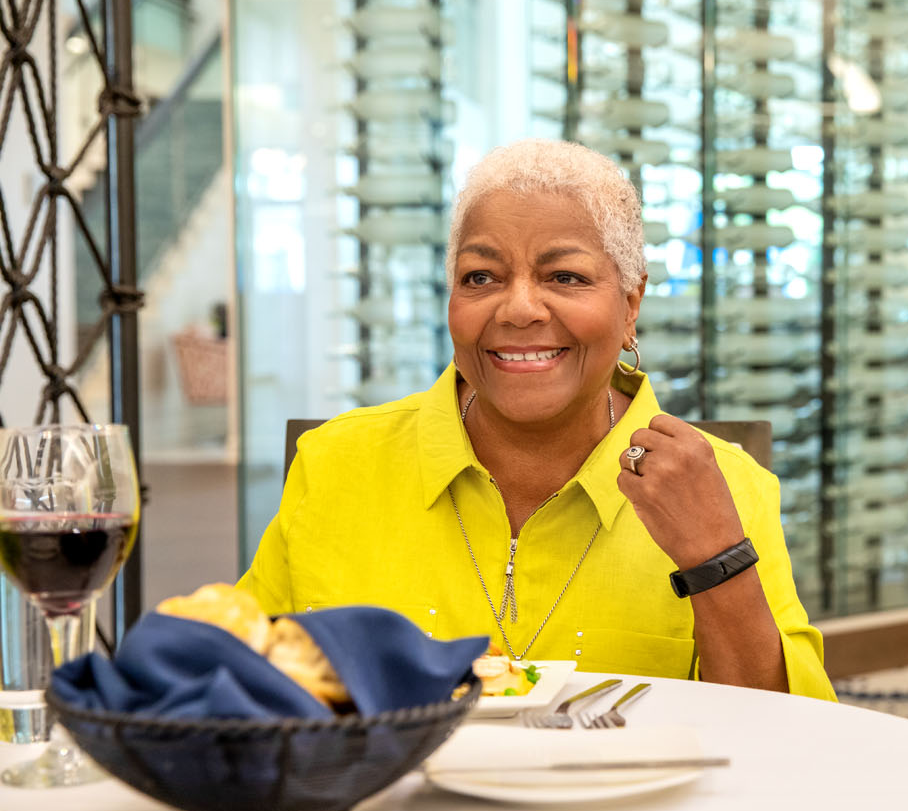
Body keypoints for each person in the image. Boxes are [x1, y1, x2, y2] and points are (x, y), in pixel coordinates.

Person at [238, 139, 835, 700]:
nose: (519, 308)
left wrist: (717, 560)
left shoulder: (729, 487)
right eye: (481, 277)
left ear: (630, 305)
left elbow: (791, 746)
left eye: (565, 277)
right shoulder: (335, 462)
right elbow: (235, 679)